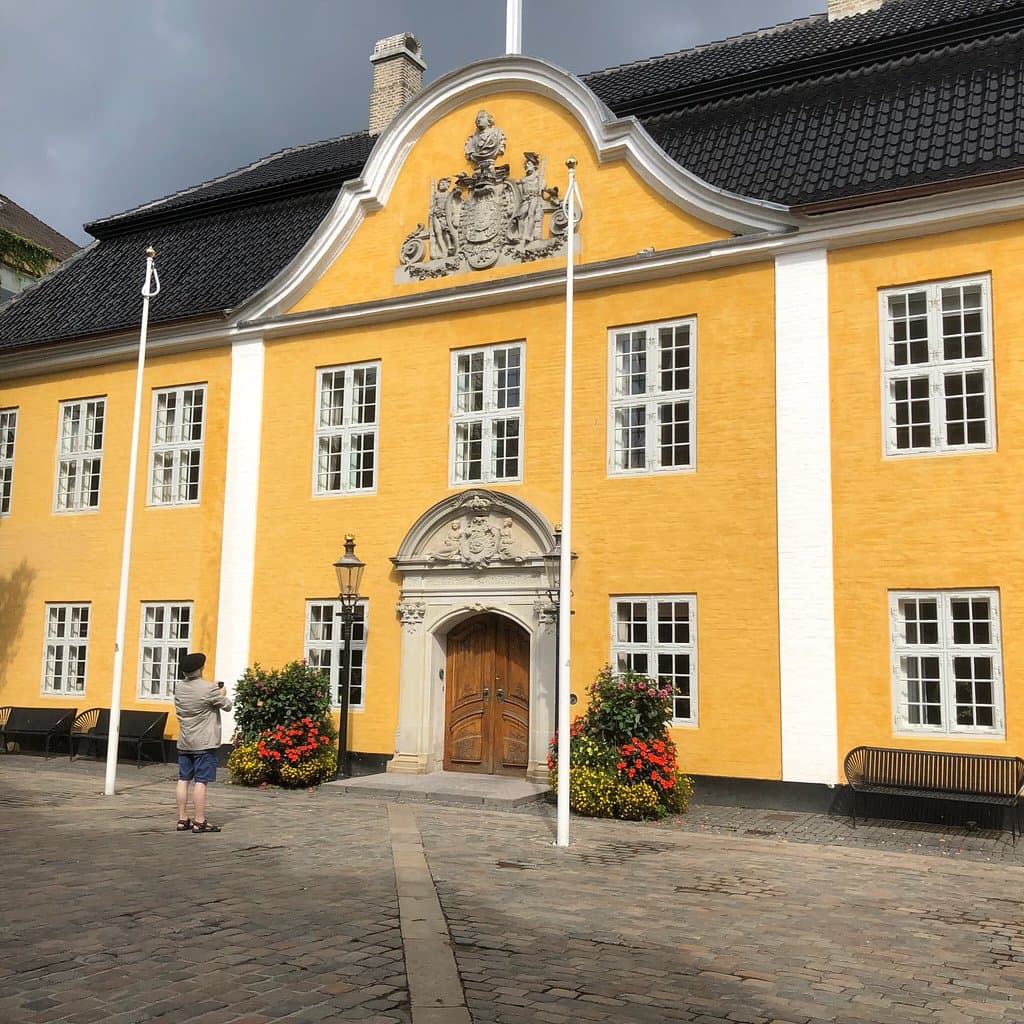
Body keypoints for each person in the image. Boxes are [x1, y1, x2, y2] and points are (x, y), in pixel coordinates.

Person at [173, 652, 232, 833]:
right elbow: (227, 705)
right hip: (204, 743)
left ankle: (182, 819)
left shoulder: (178, 688)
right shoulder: (209, 689)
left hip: (185, 741)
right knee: (201, 781)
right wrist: (221, 693)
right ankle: (199, 820)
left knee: (183, 779)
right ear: (200, 668)